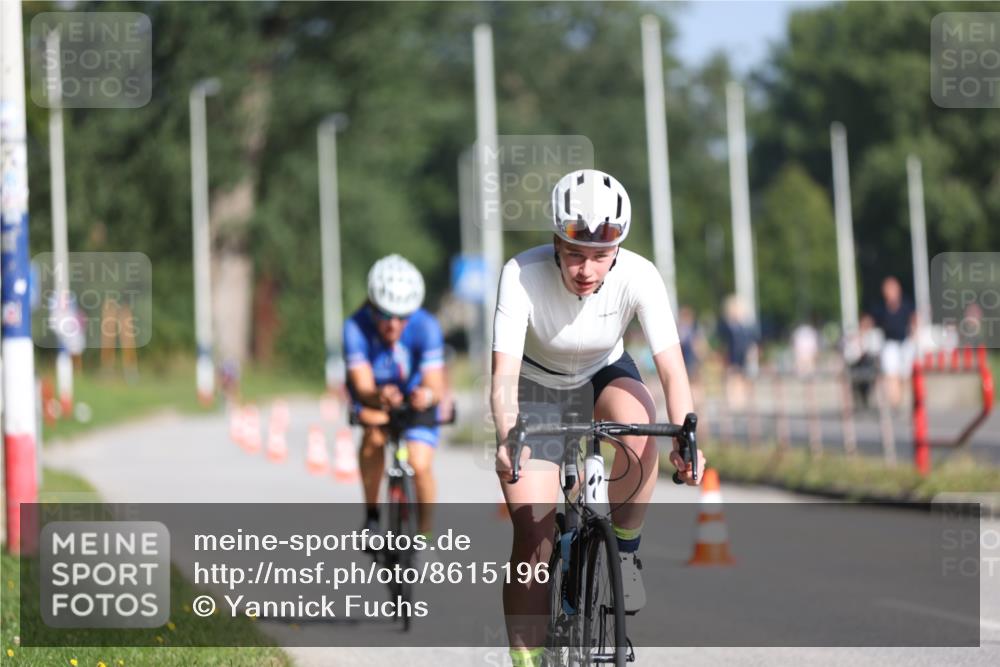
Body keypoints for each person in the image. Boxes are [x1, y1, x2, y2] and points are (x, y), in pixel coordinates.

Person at [491, 169, 705, 667]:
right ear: (555, 242)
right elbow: (502, 374)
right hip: (537, 387)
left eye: (600, 256)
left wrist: (687, 435)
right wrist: (507, 434)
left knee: (640, 431)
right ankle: (527, 659)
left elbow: (672, 370)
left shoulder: (640, 274)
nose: (587, 269)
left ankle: (625, 549)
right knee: (535, 540)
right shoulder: (520, 273)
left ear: (618, 249)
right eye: (574, 254)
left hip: (604, 373)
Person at [343, 254, 447, 539]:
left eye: (403, 317)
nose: (394, 325)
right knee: (373, 436)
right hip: (375, 399)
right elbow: (362, 387)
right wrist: (378, 396)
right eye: (385, 315)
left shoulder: (426, 326)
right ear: (372, 306)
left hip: (414, 400)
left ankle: (425, 535)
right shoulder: (355, 327)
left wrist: (425, 396)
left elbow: (436, 385)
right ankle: (373, 516)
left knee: (420, 462)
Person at [871, 276, 915, 410]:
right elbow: (871, 322)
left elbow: (913, 319)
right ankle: (895, 403)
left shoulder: (906, 305)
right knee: (891, 374)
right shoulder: (881, 308)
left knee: (905, 375)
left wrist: (914, 335)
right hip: (890, 344)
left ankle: (903, 400)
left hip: (904, 343)